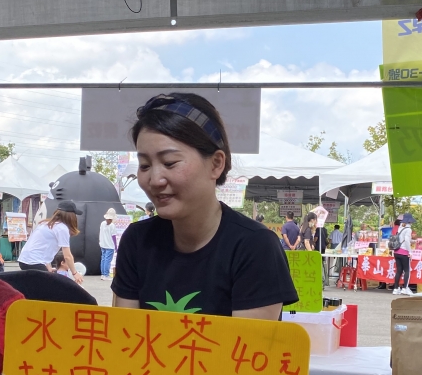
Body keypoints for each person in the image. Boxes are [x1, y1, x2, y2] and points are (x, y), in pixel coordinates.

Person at [112, 93, 298, 318]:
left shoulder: (255, 247)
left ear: (216, 164)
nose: (155, 180)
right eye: (144, 165)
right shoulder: (137, 241)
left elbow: (249, 342)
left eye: (170, 163)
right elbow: (124, 333)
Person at [17, 201, 84, 284]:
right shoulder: (62, 228)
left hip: (23, 260)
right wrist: (75, 273)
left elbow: (43, 248)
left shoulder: (45, 224)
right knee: (49, 287)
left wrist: (48, 267)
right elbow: (67, 256)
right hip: (36, 262)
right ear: (71, 216)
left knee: (36, 286)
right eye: (75, 215)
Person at [391, 213, 414, 295]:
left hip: (397, 251)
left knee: (399, 271)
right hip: (404, 252)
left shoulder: (400, 228)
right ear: (410, 221)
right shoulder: (408, 229)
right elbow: (407, 241)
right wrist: (410, 251)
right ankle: (405, 288)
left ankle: (396, 288)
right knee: (407, 270)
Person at [99, 207, 118, 280]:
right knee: (107, 260)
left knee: (103, 259)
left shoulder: (102, 223)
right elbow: (114, 237)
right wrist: (116, 247)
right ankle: (106, 275)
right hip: (110, 245)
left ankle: (103, 274)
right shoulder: (112, 225)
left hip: (103, 244)